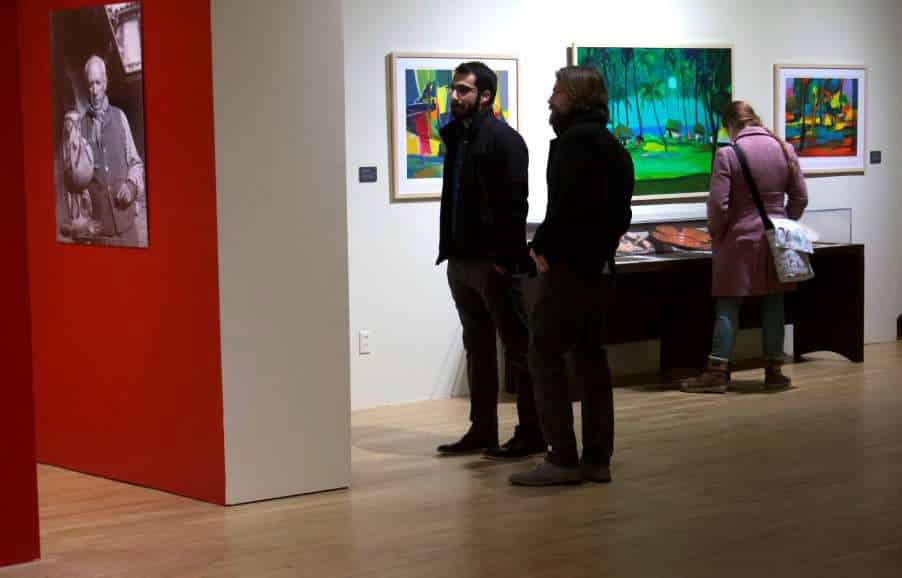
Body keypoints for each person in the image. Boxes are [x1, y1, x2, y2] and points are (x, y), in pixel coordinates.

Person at [509, 66, 634, 486]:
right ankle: (598, 459)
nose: (550, 98)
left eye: (557, 91)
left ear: (576, 97)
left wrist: (540, 246)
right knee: (591, 360)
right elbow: (620, 215)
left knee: (543, 356)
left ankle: (561, 457)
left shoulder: (572, 144)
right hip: (599, 271)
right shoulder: (614, 146)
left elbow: (565, 209)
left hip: (569, 273)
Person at [435, 62, 545, 459]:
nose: (454, 96)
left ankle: (532, 432)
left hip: (492, 263)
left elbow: (516, 205)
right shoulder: (458, 139)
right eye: (453, 89)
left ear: (485, 96)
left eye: (463, 90)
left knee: (517, 348)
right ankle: (482, 430)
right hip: (460, 261)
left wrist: (506, 258)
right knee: (477, 346)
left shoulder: (505, 141)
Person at [681, 101, 808, 394]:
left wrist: (717, 232)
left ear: (730, 125)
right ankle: (774, 371)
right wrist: (784, 221)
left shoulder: (728, 153)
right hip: (776, 238)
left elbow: (717, 204)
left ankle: (717, 371)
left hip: (737, 239)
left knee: (728, 304)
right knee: (775, 303)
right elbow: (800, 197)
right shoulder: (784, 149)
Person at [68, 55, 145, 246]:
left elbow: (135, 163)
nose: (94, 90)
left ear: (106, 82)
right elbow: (76, 182)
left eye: (98, 83)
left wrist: (132, 186)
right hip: (100, 235)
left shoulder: (120, 117)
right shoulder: (80, 127)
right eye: (90, 84)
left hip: (127, 231)